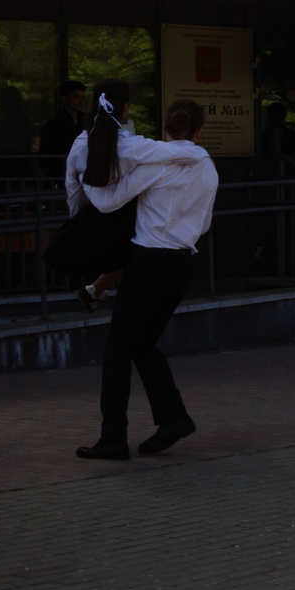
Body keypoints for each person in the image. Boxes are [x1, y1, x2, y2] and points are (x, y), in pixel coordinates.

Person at [72, 98, 219, 460]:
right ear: (200, 131)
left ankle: (113, 437)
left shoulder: (158, 163)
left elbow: (109, 202)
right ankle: (173, 417)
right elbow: (204, 225)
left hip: (150, 261)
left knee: (119, 347)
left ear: (166, 129)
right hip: (183, 264)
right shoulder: (209, 168)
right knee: (142, 344)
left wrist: (81, 180)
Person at [55, 81, 141, 313]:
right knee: (133, 255)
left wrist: (77, 219)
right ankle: (103, 295)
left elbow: (72, 186)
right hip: (125, 217)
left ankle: (94, 291)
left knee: (126, 258)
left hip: (96, 215)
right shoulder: (131, 144)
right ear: (125, 108)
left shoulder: (83, 142)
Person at [37, 80, 89, 172]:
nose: (81, 101)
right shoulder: (54, 125)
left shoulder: (86, 121)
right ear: (65, 99)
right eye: (76, 97)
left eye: (82, 97)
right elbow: (46, 155)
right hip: (61, 171)